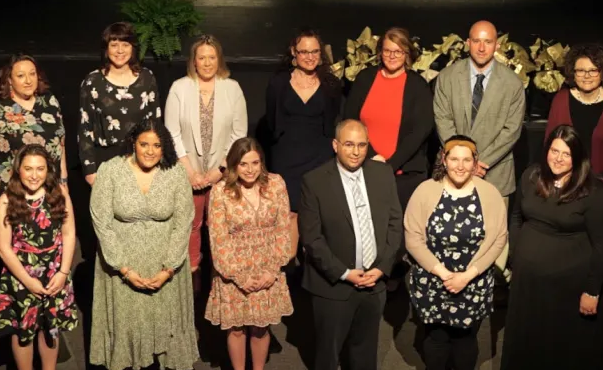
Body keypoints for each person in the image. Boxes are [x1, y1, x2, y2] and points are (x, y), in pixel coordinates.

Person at [498, 125, 603, 370]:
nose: (558, 158)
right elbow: (517, 216)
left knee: (560, 344)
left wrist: (593, 290)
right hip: (529, 279)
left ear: (577, 158)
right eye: (554, 151)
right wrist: (516, 250)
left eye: (566, 153)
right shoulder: (531, 176)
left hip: (569, 283)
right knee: (531, 337)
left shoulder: (594, 191)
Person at [298, 119, 403, 370]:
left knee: (366, 341)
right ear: (335, 145)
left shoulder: (382, 173)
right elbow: (312, 239)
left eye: (361, 145)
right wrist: (344, 273)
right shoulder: (314, 181)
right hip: (334, 282)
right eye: (348, 144)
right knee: (328, 349)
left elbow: (395, 224)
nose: (355, 151)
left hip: (375, 278)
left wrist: (382, 267)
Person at [89, 117, 196, 370]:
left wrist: (169, 268)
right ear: (133, 143)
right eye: (144, 144)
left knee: (167, 318)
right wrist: (123, 268)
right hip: (123, 262)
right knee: (130, 319)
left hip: (165, 262)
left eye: (157, 145)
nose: (150, 151)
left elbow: (183, 221)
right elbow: (102, 223)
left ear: (165, 148)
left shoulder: (175, 173)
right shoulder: (110, 171)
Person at [404, 135, 508, 370]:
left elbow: (499, 239)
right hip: (433, 279)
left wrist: (468, 276)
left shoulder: (489, 194)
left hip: (472, 281)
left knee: (465, 338)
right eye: (454, 159)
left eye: (467, 160)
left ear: (475, 163)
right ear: (443, 160)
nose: (460, 166)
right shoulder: (426, 190)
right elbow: (412, 237)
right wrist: (441, 272)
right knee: (435, 336)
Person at [433, 20, 525, 285]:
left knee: (493, 237)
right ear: (467, 43)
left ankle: (489, 290)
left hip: (494, 171)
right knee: (452, 235)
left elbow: (512, 129)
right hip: (452, 172)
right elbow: (443, 118)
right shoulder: (448, 78)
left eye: (488, 41)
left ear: (497, 44)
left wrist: (480, 162)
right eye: (476, 40)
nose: (482, 47)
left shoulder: (512, 83)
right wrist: (461, 160)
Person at [206, 138, 293, 370]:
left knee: (261, 326)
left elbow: (283, 228)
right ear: (234, 165)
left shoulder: (276, 184)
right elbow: (217, 239)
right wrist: (237, 276)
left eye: (255, 163)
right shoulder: (220, 191)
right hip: (235, 270)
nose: (250, 169)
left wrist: (274, 269)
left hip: (267, 267)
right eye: (243, 164)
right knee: (237, 328)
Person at [344, 26, 435, 290]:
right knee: (367, 229)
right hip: (364, 167)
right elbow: (350, 119)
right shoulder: (365, 78)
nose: (392, 55)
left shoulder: (417, 85)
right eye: (387, 50)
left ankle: (392, 277)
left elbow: (421, 130)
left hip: (403, 173)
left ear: (407, 54)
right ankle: (366, 277)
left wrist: (390, 163)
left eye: (398, 51)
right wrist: (371, 158)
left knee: (397, 231)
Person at [0, 145, 79, 370]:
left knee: (50, 329)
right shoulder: (8, 199)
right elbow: (2, 247)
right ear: (18, 169)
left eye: (40, 169)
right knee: (24, 333)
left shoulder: (59, 194)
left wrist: (63, 273)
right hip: (22, 275)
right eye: (28, 168)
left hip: (54, 272)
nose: (34, 175)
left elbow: (68, 234)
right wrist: (28, 282)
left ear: (48, 170)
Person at [164, 34, 248, 284]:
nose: (207, 63)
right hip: (187, 172)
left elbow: (238, 134)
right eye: (202, 58)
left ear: (219, 59)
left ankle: (221, 277)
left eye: (212, 57)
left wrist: (218, 171)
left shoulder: (232, 88)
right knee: (190, 225)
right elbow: (172, 132)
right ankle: (192, 278)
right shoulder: (180, 88)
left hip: (221, 173)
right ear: (194, 61)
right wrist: (190, 172)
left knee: (220, 227)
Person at [265, 28, 342, 257]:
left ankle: (315, 272)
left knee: (315, 215)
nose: (309, 57)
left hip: (319, 159)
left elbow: (333, 123)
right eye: (304, 52)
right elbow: (271, 122)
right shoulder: (278, 83)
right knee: (289, 216)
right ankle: (288, 276)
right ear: (293, 53)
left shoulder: (331, 84)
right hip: (287, 159)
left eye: (315, 51)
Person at [0, 53, 68, 209]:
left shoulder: (49, 101)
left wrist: (63, 183)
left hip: (49, 193)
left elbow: (60, 145)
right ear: (9, 80)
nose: (28, 81)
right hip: (12, 198)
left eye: (32, 74)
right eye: (21, 76)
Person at [545, 43, 603, 206]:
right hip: (563, 188)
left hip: (601, 188)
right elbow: (549, 143)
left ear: (602, 72)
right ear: (573, 72)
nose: (586, 76)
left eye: (593, 70)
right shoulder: (560, 100)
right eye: (581, 70)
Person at [79, 22, 162, 184]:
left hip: (141, 160)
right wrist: (90, 171)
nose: (120, 51)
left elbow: (156, 123)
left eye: (125, 44)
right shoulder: (92, 82)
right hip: (105, 161)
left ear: (133, 48)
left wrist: (156, 161)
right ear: (106, 48)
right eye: (114, 45)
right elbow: (84, 129)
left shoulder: (147, 78)